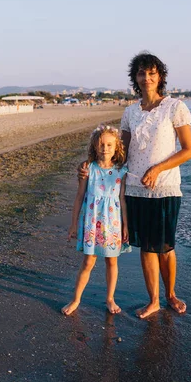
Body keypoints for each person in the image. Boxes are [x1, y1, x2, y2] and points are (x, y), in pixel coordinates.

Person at [121, 52, 191, 318]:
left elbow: (188, 150)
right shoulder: (130, 112)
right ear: (136, 78)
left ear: (160, 76)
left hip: (165, 186)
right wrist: (93, 164)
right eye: (142, 73)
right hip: (135, 188)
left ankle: (171, 295)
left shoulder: (175, 107)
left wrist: (157, 169)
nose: (147, 77)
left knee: (165, 246)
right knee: (146, 247)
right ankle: (153, 300)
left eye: (152, 73)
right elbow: (123, 152)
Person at [62, 125, 130, 316]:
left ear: (116, 147)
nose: (105, 148)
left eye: (109, 145)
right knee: (88, 261)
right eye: (101, 144)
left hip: (113, 223)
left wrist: (126, 225)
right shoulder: (87, 168)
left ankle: (110, 299)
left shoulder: (121, 171)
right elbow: (79, 197)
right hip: (92, 222)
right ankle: (76, 299)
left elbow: (122, 200)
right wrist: (74, 224)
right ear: (94, 146)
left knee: (112, 261)